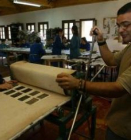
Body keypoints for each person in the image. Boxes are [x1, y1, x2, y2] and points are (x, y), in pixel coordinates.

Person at [56, 2, 131, 140]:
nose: (120, 30)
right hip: (117, 120)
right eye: (119, 26)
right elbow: (111, 60)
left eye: (126, 24)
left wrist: (79, 84)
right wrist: (101, 40)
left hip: (125, 130)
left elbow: (118, 88)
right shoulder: (129, 48)